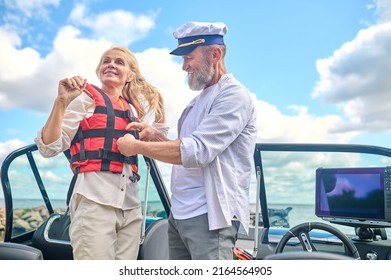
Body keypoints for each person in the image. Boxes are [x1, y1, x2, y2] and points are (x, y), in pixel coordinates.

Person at [117, 21, 257, 260]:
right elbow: (185, 147)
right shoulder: (197, 102)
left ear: (215, 54)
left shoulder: (234, 96)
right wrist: (156, 137)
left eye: (189, 57)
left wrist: (138, 147)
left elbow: (196, 152)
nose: (184, 67)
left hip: (209, 218)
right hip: (179, 214)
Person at [34, 46, 168, 260]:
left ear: (130, 76)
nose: (111, 65)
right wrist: (61, 102)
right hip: (94, 203)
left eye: (119, 62)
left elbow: (160, 143)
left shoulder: (132, 110)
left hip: (131, 209)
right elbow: (49, 148)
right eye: (106, 61)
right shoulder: (85, 99)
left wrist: (159, 103)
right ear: (99, 70)